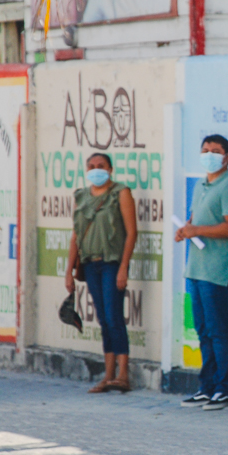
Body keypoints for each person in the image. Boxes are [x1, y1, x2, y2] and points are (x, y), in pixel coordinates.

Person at [176, 135, 228, 411]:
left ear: (227, 157)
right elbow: (196, 220)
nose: (209, 155)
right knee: (203, 330)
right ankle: (207, 387)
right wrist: (186, 229)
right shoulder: (200, 185)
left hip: (218, 272)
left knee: (219, 331)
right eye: (205, 150)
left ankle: (225, 388)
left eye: (216, 151)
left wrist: (197, 230)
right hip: (196, 268)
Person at [65, 153, 137, 393]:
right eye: (92, 166)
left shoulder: (120, 193)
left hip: (111, 263)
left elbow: (131, 232)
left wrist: (124, 267)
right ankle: (108, 375)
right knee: (103, 319)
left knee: (114, 316)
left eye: (101, 166)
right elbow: (76, 235)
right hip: (90, 264)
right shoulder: (81, 196)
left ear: (110, 169)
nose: (96, 170)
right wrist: (68, 271)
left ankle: (123, 374)